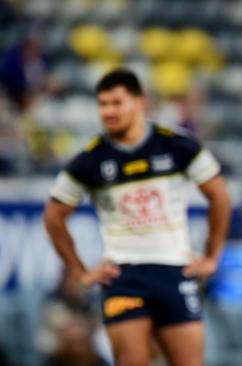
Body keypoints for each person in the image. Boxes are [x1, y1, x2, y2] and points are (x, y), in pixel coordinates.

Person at [43, 68, 231, 366]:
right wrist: (80, 272)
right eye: (102, 104)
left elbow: (219, 195)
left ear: (139, 103)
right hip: (123, 276)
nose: (108, 111)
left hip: (174, 271)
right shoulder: (90, 160)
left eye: (116, 103)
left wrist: (212, 255)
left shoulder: (177, 145)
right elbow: (54, 215)